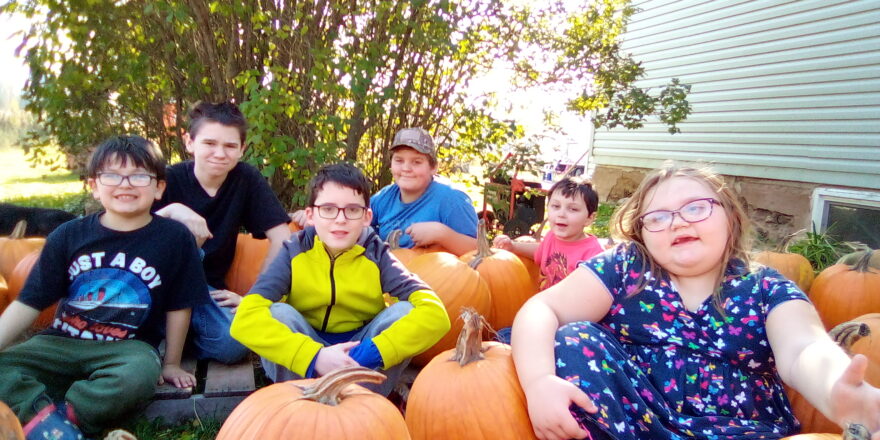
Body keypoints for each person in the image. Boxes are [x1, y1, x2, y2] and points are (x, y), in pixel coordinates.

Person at [510, 162, 880, 440]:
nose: (677, 222)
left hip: (735, 428)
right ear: (641, 233)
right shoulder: (626, 268)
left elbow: (803, 347)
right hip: (632, 424)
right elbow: (543, 308)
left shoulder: (764, 287)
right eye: (657, 217)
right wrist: (539, 381)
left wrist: (836, 388)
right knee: (574, 337)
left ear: (730, 218)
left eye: (696, 208)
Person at [0, 136, 208, 439]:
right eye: (112, 175)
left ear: (159, 187)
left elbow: (180, 304)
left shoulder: (174, 238)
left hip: (128, 349)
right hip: (62, 341)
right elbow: (29, 301)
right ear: (94, 186)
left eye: (139, 175)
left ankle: (66, 418)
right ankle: (42, 419)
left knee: (137, 376)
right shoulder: (68, 235)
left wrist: (172, 363)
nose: (125, 184)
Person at [230, 163, 451, 396]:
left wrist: (369, 352)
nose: (340, 219)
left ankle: (362, 400)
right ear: (310, 215)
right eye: (328, 209)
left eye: (352, 210)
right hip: (308, 350)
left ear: (366, 217)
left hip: (359, 355)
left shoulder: (378, 254)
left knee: (404, 313)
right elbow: (244, 319)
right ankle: (298, 399)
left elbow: (436, 314)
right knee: (278, 314)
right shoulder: (293, 251)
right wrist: (315, 356)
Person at [153, 101, 291, 364]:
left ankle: (173, 339)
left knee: (233, 344)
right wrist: (173, 211)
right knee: (183, 235)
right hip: (161, 287)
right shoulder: (168, 180)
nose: (219, 153)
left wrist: (255, 298)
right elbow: (131, 233)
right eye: (209, 143)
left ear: (242, 149)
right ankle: (166, 334)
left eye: (229, 146)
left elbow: (282, 236)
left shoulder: (245, 179)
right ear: (190, 142)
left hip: (206, 296)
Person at [290, 127, 478, 255]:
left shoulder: (451, 199)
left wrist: (442, 234)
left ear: (433, 167)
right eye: (399, 160)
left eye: (416, 162)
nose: (406, 168)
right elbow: (353, 220)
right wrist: (315, 218)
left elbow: (479, 252)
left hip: (435, 286)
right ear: (391, 165)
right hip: (386, 280)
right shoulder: (385, 197)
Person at [494, 177, 603, 289]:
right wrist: (513, 246)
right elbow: (540, 251)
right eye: (556, 206)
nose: (561, 214)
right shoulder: (551, 236)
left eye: (573, 209)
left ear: (589, 218)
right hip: (544, 302)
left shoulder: (593, 255)